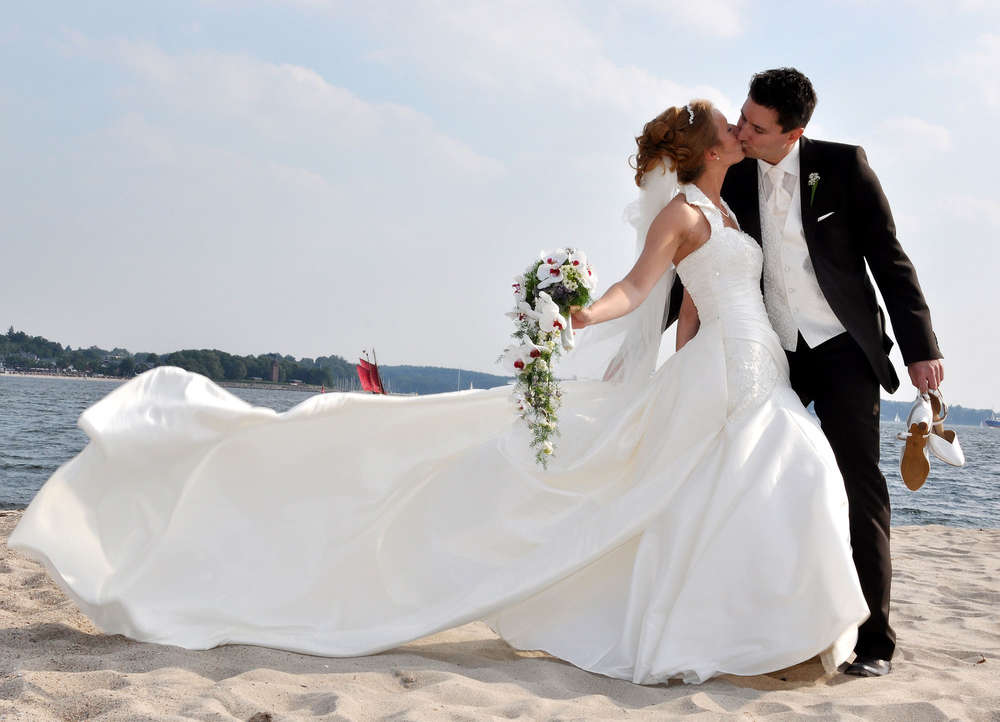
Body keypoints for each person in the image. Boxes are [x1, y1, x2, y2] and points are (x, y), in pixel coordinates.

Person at [10, 100, 868, 686]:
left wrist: (682, 353)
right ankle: (767, 642)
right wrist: (573, 317)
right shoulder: (682, 213)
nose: (741, 130)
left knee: (750, 490)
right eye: (732, 125)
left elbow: (692, 312)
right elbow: (640, 291)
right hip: (731, 364)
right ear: (709, 147)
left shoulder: (725, 213)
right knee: (765, 480)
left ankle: (774, 639)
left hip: (740, 361)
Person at [718, 68, 942, 677]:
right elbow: (700, 261)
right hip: (774, 351)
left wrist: (921, 347)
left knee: (858, 484)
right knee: (764, 481)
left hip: (844, 348)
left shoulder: (844, 167)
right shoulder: (730, 174)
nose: (742, 130)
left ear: (794, 133)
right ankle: (781, 625)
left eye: (756, 127)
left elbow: (890, 261)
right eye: (742, 116)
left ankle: (875, 642)